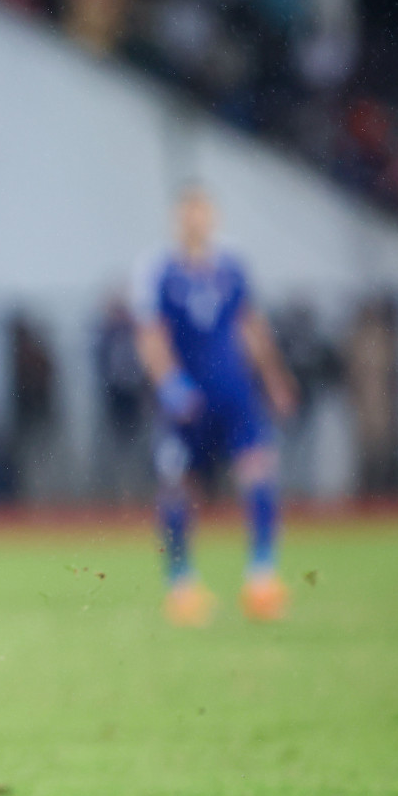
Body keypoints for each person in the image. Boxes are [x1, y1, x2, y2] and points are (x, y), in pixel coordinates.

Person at [133, 186, 298, 626]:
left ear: (213, 217)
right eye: (188, 212)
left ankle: (261, 578)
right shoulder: (159, 270)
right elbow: (151, 335)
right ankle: (181, 585)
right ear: (177, 219)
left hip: (235, 395)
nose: (195, 220)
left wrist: (274, 379)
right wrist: (169, 383)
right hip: (187, 403)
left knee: (258, 471)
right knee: (179, 490)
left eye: (202, 212)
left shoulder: (232, 267)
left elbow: (250, 326)